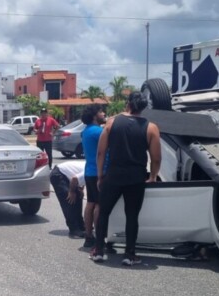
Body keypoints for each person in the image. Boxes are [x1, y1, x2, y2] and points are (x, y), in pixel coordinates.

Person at [90, 92, 161, 266]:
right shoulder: (151, 128)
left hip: (113, 175)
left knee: (104, 212)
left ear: (128, 104)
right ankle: (129, 254)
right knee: (132, 216)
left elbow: (101, 152)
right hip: (136, 178)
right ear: (143, 107)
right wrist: (152, 176)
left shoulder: (112, 123)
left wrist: (100, 175)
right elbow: (156, 157)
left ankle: (99, 250)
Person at [80, 105, 107, 248]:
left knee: (90, 203)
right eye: (101, 112)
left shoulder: (85, 132)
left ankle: (88, 235)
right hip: (99, 172)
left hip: (89, 171)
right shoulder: (99, 132)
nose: (103, 114)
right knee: (99, 205)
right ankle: (99, 237)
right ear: (94, 116)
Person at [49, 160, 86, 238]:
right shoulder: (91, 170)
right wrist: (72, 191)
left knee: (79, 196)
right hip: (58, 174)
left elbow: (83, 180)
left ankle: (81, 225)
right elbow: (75, 179)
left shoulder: (92, 169)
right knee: (69, 199)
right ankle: (74, 229)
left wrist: (80, 189)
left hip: (68, 176)